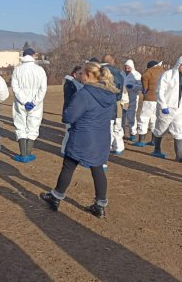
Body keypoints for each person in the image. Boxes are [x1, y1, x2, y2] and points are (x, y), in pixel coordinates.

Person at [40, 62, 118, 218]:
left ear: (88, 75)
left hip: (82, 136)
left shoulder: (84, 94)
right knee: (98, 169)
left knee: (68, 165)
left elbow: (69, 116)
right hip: (101, 137)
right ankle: (100, 205)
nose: (79, 75)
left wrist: (68, 110)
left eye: (81, 73)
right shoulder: (109, 94)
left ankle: (56, 197)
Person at [151, 55, 182, 163]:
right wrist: (163, 106)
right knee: (160, 129)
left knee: (180, 130)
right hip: (167, 108)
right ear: (178, 64)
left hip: (180, 109)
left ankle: (179, 155)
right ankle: (156, 149)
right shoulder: (167, 75)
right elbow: (160, 90)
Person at [11, 48, 47, 163]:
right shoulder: (40, 70)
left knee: (20, 125)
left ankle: (23, 154)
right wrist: (34, 102)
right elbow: (43, 88)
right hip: (36, 104)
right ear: (33, 56)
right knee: (33, 126)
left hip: (20, 103)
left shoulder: (17, 70)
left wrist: (24, 101)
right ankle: (28, 153)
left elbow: (15, 88)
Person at [132, 61, 165, 147]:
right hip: (159, 100)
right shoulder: (163, 71)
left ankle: (141, 140)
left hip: (149, 99)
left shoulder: (148, 72)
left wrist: (144, 91)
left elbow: (144, 87)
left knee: (144, 118)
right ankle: (153, 140)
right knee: (154, 119)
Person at [102, 54, 125, 155]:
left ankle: (107, 147)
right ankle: (118, 147)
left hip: (103, 104)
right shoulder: (118, 73)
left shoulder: (99, 71)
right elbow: (120, 90)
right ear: (112, 61)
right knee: (116, 125)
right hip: (116, 102)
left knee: (106, 127)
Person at [61, 65, 84, 155]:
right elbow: (70, 100)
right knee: (69, 132)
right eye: (80, 73)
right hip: (71, 112)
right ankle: (64, 150)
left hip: (75, 112)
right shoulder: (70, 84)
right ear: (75, 74)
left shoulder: (76, 83)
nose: (82, 75)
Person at [121, 59, 143, 141]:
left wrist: (133, 86)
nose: (126, 70)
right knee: (121, 116)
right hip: (123, 97)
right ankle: (121, 132)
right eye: (125, 68)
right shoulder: (121, 74)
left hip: (133, 97)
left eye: (128, 68)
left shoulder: (137, 75)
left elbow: (141, 86)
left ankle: (133, 133)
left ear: (132, 67)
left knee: (131, 116)